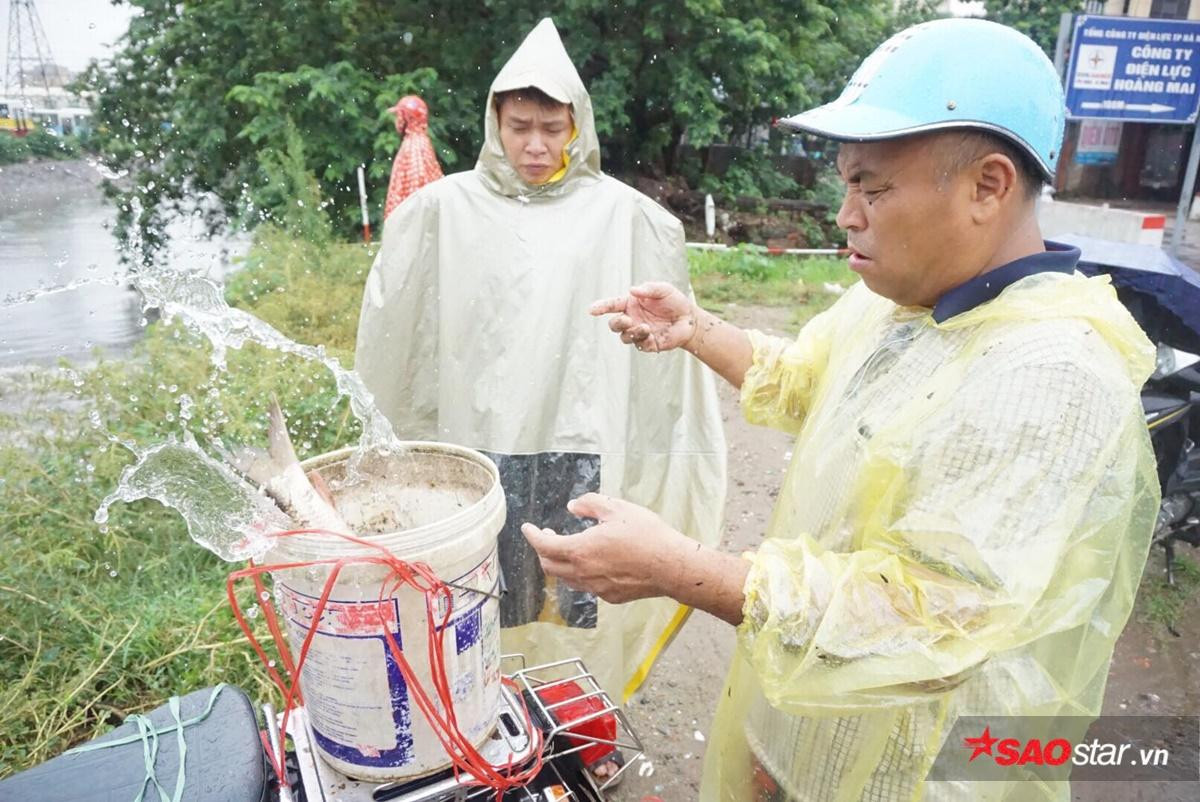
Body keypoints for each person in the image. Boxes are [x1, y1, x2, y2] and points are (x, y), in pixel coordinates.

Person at [522, 18, 1160, 800]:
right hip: (810, 721)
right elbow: (809, 379)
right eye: (845, 182)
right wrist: (699, 329)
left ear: (988, 186)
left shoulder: (1050, 375)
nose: (846, 213)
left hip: (918, 769)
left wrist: (679, 570)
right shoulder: (906, 304)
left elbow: (930, 624)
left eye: (873, 185)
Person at [355, 17, 727, 711]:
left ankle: (571, 726)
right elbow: (399, 347)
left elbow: (664, 368)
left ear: (576, 126)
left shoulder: (628, 219)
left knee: (568, 596)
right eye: (520, 125)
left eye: (551, 128)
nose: (534, 145)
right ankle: (474, 718)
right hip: (473, 440)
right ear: (495, 120)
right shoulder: (438, 213)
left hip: (575, 434)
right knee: (473, 594)